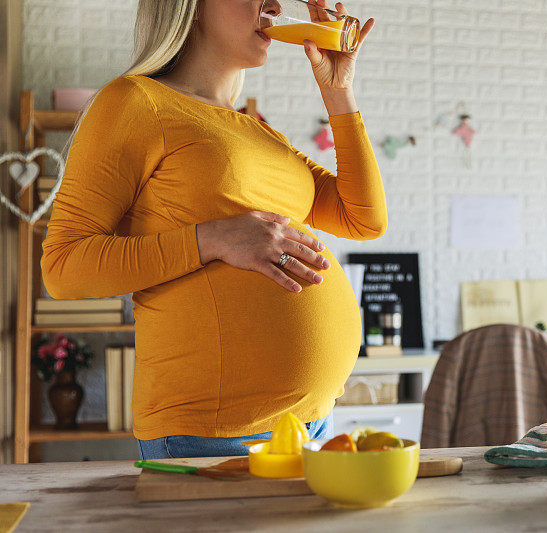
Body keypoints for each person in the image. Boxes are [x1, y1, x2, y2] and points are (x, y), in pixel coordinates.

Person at [40, 0, 386, 460]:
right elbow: (63, 267)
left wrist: (338, 92)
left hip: (310, 426)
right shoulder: (134, 101)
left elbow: (364, 218)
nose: (276, 5)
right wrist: (214, 239)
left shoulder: (257, 131)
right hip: (208, 434)